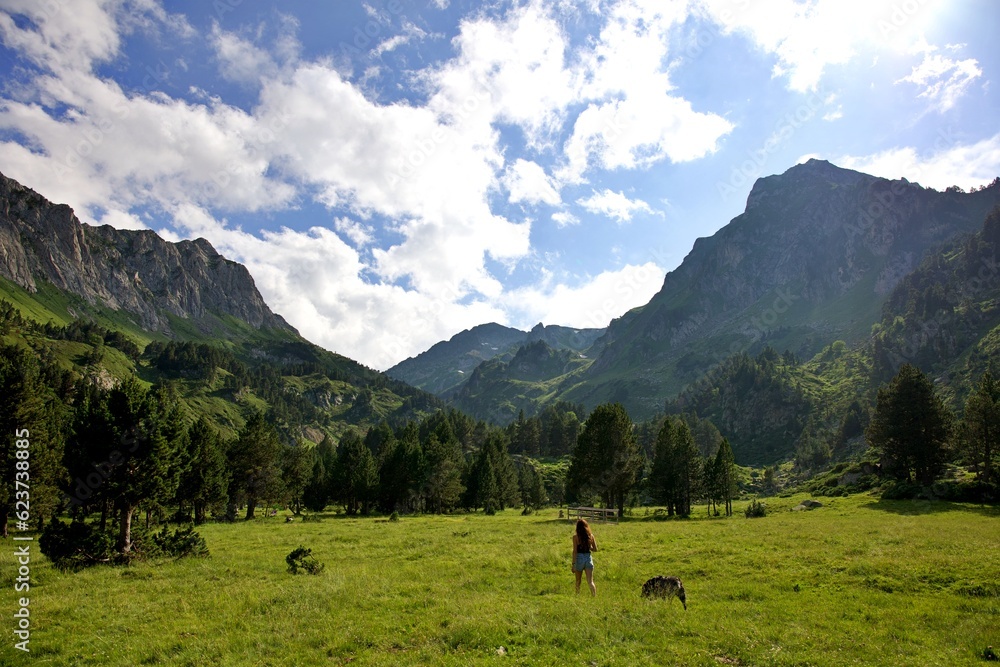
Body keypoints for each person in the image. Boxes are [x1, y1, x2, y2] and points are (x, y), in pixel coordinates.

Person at [571, 518, 598, 596]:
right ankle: (594, 595)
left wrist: (573, 564)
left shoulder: (575, 537)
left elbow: (575, 551)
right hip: (588, 558)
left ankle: (577, 595)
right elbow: (595, 549)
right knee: (590, 581)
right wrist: (589, 547)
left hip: (579, 558)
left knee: (578, 580)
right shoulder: (591, 536)